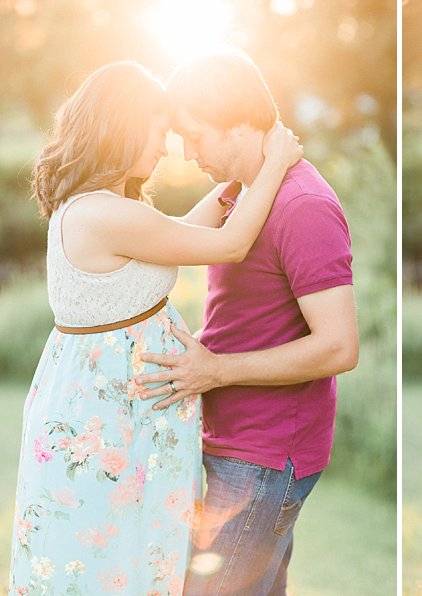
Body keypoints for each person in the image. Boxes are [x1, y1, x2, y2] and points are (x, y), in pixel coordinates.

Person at [8, 61, 301, 594]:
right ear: (120, 125)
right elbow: (228, 244)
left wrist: (245, 173)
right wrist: (273, 165)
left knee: (121, 561)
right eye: (158, 130)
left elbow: (185, 232)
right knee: (104, 563)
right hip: (109, 423)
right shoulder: (103, 213)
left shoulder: (109, 209)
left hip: (119, 415)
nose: (165, 148)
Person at [133, 49, 359, 595]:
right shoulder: (241, 193)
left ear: (239, 125)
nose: (188, 155)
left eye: (196, 136)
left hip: (265, 456)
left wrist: (214, 370)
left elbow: (339, 348)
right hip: (236, 444)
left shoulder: (304, 205)